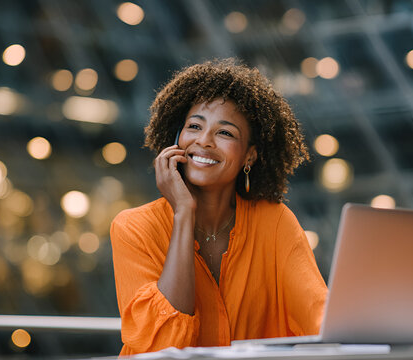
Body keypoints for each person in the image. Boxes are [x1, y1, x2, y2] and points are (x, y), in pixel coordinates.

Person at [110, 58, 327, 356]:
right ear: (176, 140)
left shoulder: (274, 222)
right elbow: (164, 346)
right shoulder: (133, 227)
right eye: (194, 126)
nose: (204, 141)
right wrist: (184, 212)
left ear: (249, 156)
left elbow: (318, 314)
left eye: (225, 133)